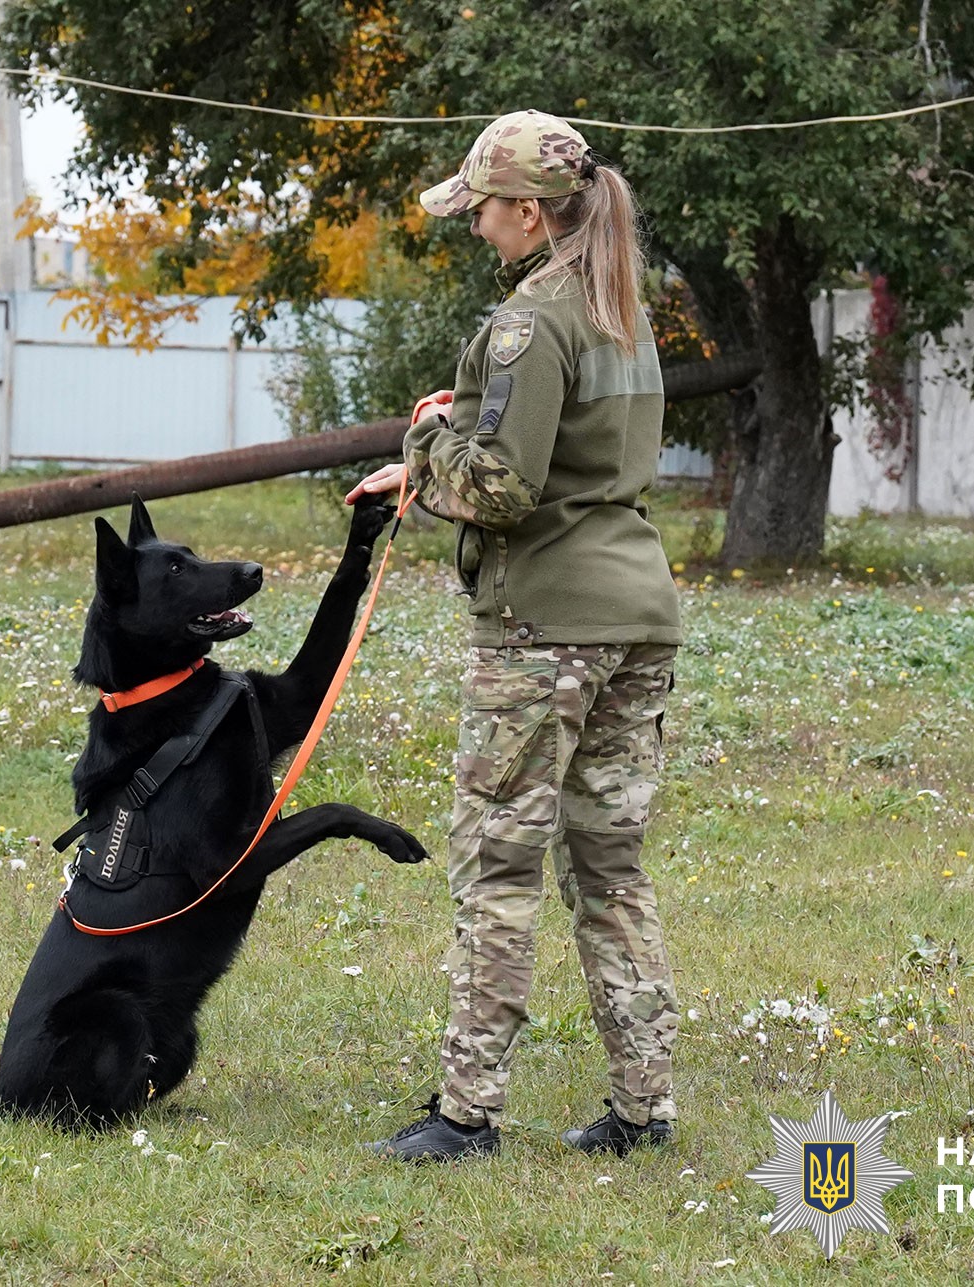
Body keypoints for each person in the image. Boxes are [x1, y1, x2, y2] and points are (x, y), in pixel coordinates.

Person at [347, 109, 681, 1162]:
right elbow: (577, 462)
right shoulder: (619, 311)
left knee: (497, 869)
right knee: (610, 871)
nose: (477, 228)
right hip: (633, 616)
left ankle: (464, 1116)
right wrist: (433, 461)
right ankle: (642, 1111)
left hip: (542, 631)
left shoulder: (529, 322)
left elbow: (500, 490)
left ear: (529, 213)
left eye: (484, 211)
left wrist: (425, 434)